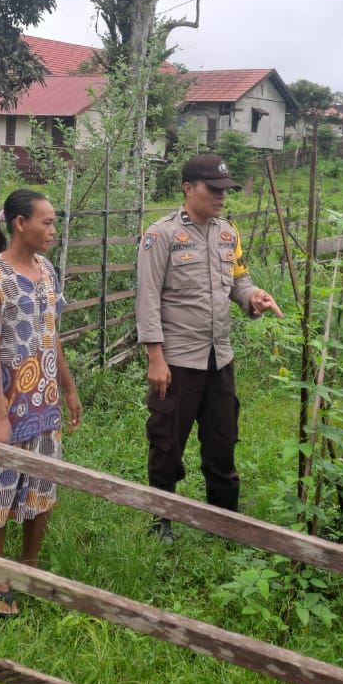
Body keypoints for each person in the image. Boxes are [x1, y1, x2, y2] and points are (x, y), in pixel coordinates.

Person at [135, 153, 282, 543]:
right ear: (188, 188)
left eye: (225, 191)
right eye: (213, 190)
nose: (221, 197)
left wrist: (253, 297)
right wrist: (155, 358)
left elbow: (238, 279)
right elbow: (148, 299)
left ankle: (224, 518)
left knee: (222, 439)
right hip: (178, 361)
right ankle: (162, 518)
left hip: (220, 358)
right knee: (167, 442)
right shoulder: (161, 235)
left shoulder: (227, 232)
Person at [0, 188, 81, 616]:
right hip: (3, 402)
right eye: (46, 223)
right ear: (20, 224)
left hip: (43, 399)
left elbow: (52, 333)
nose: (53, 230)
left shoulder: (46, 270)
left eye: (53, 222)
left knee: (42, 484)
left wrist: (67, 387)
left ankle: (29, 565)